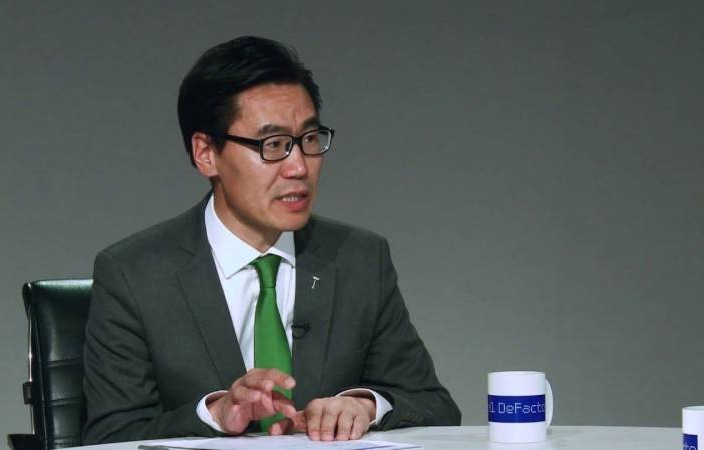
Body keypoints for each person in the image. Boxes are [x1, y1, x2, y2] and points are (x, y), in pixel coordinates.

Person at [82, 36, 461, 445]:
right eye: (273, 145)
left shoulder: (360, 260)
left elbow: (434, 406)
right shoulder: (134, 275)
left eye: (310, 140)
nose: (299, 167)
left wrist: (367, 406)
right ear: (206, 153)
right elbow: (111, 436)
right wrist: (213, 415)